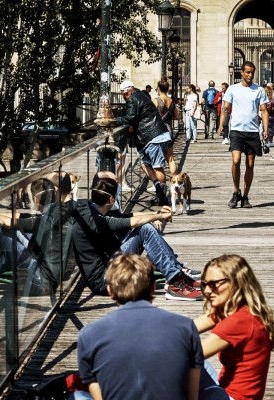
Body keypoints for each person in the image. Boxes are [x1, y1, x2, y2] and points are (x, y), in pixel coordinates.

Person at [74, 254, 203, 400]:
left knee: (77, 395)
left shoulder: (88, 335)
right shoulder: (187, 328)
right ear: (153, 287)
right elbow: (192, 396)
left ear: (110, 291)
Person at [71, 174, 202, 300]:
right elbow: (128, 222)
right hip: (105, 282)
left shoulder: (89, 209)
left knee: (143, 227)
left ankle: (177, 274)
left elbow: (125, 217)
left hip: (110, 268)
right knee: (145, 229)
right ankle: (176, 283)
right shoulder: (95, 220)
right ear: (112, 199)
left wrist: (154, 213)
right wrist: (159, 217)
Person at [0, 172, 74, 298]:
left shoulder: (52, 217)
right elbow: (23, 216)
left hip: (39, 280)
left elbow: (17, 222)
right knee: (6, 228)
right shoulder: (63, 209)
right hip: (49, 272)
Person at [194, 255, 274, 400]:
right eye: (204, 284)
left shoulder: (239, 321)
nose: (208, 290)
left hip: (234, 398)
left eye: (214, 284)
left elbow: (186, 355)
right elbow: (184, 329)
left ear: (236, 283)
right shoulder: (235, 311)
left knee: (178, 359)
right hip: (225, 389)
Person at [218, 61, 269, 209]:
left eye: (252, 72)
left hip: (252, 131)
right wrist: (221, 125)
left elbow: (264, 110)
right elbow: (225, 108)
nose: (250, 74)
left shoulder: (259, 90)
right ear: (241, 72)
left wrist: (265, 129)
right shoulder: (233, 89)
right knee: (236, 160)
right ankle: (236, 191)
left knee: (250, 164)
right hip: (237, 130)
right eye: (247, 72)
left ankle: (245, 196)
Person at [114, 80, 172, 206]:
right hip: (156, 134)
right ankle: (159, 190)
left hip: (152, 136)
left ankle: (162, 197)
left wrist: (114, 121)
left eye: (124, 94)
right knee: (145, 164)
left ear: (129, 90)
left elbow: (130, 118)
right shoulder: (142, 95)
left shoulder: (132, 99)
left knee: (157, 166)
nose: (124, 97)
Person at [152, 77, 180, 176]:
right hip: (168, 129)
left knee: (158, 159)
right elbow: (177, 116)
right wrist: (168, 118)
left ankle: (160, 183)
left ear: (158, 88)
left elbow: (150, 115)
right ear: (167, 89)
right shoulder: (171, 101)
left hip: (158, 130)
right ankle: (174, 180)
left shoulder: (156, 100)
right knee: (170, 158)